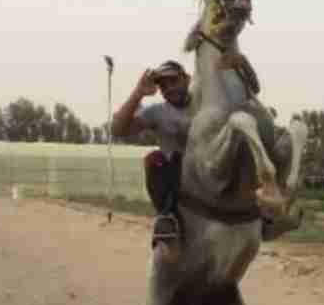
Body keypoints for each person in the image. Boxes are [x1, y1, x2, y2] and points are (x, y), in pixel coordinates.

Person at [111, 59, 299, 263]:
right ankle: (167, 219)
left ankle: (266, 217)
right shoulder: (158, 112)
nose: (168, 88)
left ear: (187, 79)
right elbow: (118, 130)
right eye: (162, 85)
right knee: (154, 160)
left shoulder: (209, 105)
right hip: (182, 176)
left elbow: (246, 97)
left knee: (244, 142)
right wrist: (138, 93)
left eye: (173, 81)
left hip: (217, 169)